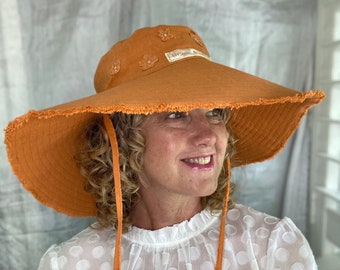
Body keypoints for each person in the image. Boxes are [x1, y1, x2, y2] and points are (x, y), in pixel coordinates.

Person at [5, 25, 324, 270]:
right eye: (176, 114)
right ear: (122, 140)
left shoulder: (270, 247)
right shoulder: (73, 263)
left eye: (214, 112)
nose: (207, 136)